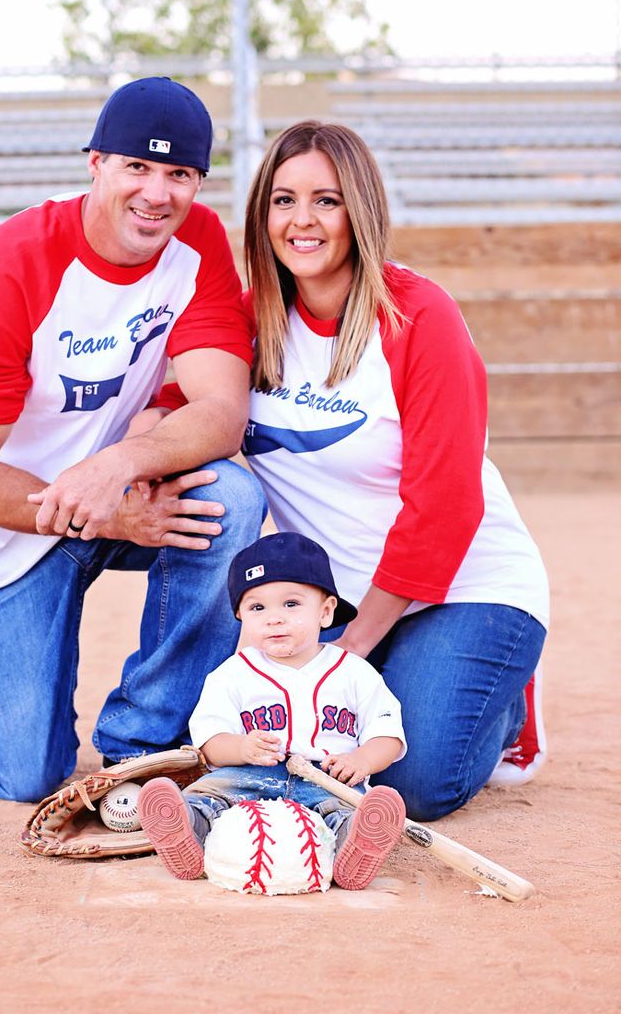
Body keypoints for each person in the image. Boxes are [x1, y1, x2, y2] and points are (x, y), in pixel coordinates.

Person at [140, 119, 550, 822]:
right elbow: (178, 410)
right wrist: (134, 463)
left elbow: (446, 505)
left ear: (359, 210)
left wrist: (352, 651)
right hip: (340, 599)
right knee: (299, 753)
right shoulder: (251, 319)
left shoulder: (419, 317)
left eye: (326, 201)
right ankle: (415, 675)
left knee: (407, 785)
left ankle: (507, 710)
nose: (302, 221)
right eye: (283, 200)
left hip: (465, 587)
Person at [0, 76, 266, 803]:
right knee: (27, 776)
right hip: (6, 526)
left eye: (179, 174)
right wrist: (101, 509)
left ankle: (144, 745)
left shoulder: (197, 242)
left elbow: (223, 410)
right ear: (96, 164)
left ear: (199, 184)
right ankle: (27, 720)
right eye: (137, 167)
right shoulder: (5, 266)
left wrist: (122, 463)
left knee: (232, 499)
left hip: (115, 493)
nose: (157, 193)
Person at [137, 531, 407, 891]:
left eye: (291, 604)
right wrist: (242, 748)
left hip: (326, 780)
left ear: (326, 612)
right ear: (240, 616)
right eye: (257, 607)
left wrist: (362, 760)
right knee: (207, 796)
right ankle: (186, 829)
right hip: (247, 776)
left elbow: (387, 734)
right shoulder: (231, 673)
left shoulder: (354, 671)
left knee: (349, 811)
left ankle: (353, 851)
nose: (273, 619)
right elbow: (210, 742)